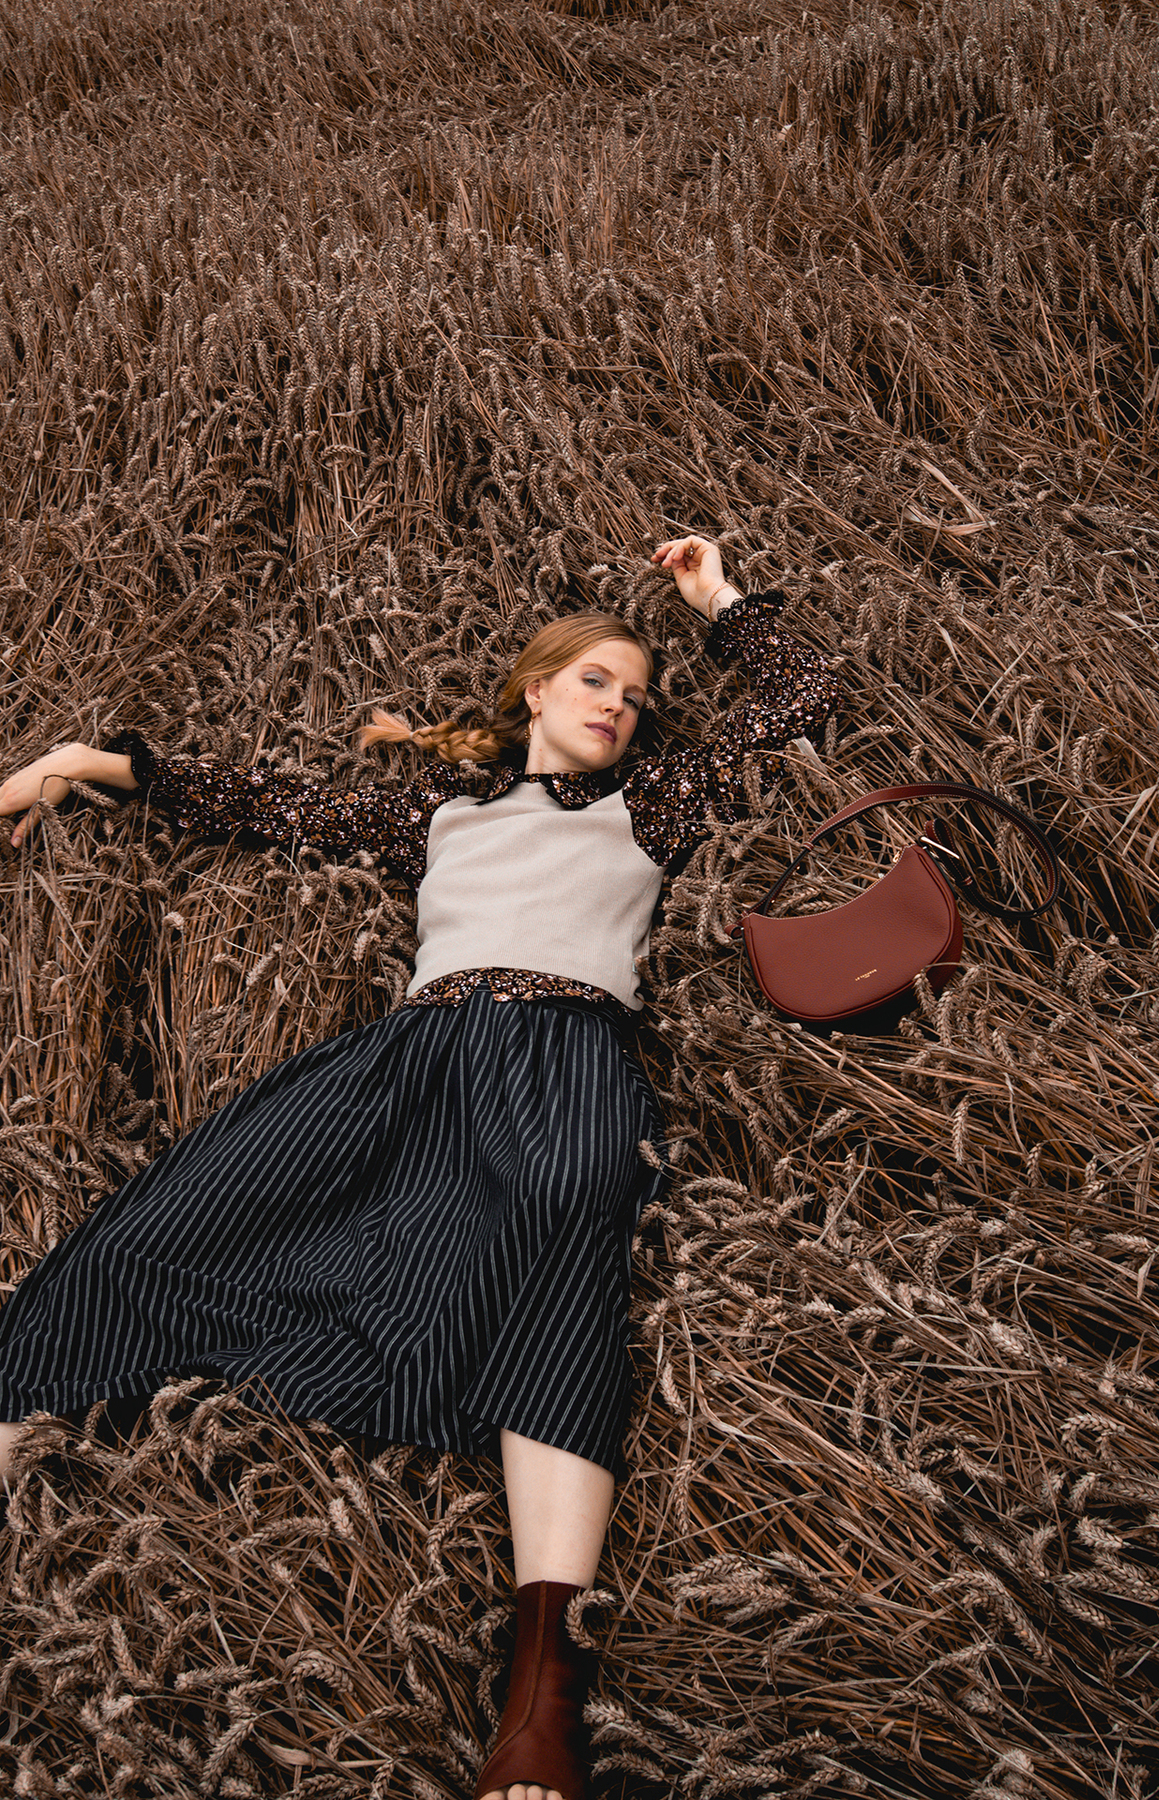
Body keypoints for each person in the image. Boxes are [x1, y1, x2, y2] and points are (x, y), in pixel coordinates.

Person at [0, 535, 839, 1800]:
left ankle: (543, 1687)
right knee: (169, 1216)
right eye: (600, 681)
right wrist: (75, 762)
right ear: (538, 691)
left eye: (639, 696)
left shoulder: (652, 802)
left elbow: (800, 708)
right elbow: (250, 797)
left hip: (567, 1051)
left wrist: (715, 595)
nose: (622, 706)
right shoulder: (436, 811)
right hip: (408, 1058)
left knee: (564, 1239)